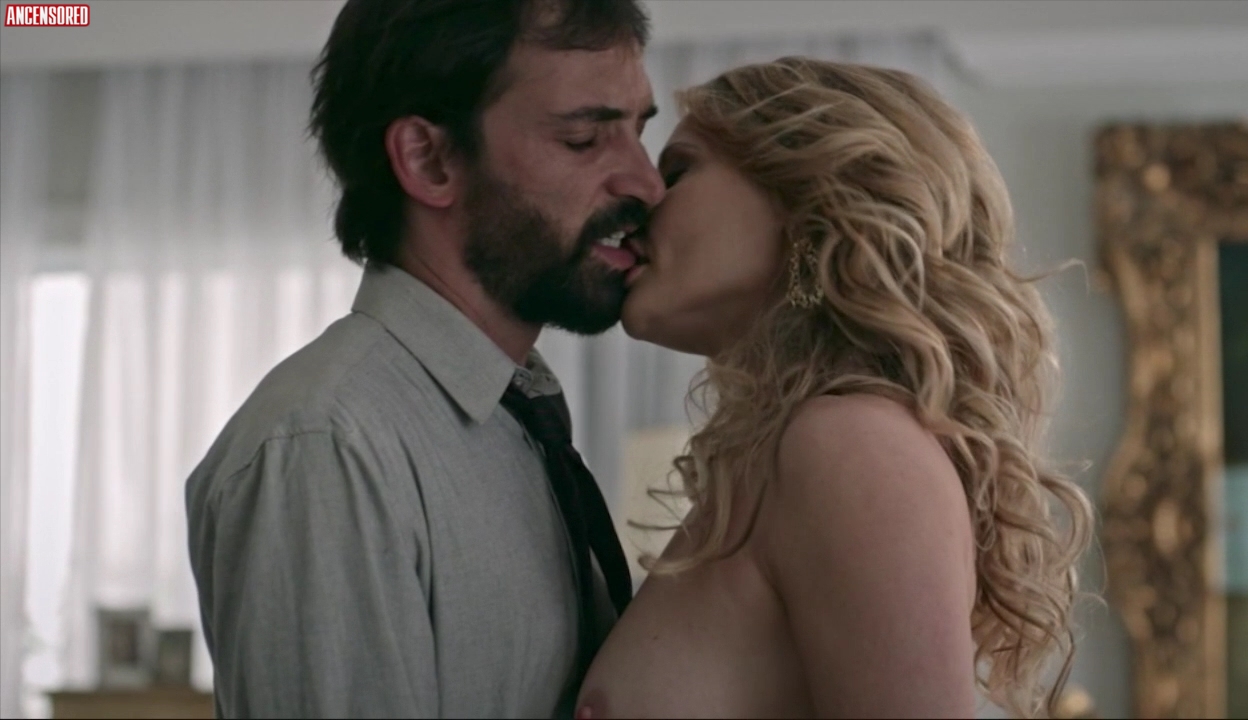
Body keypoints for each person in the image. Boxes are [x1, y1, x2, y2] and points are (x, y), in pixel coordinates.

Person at [184, 0, 663, 717]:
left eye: (639, 131)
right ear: (428, 160)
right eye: (584, 138)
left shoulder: (517, 418)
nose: (646, 184)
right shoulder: (327, 449)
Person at [577, 58, 1094, 718]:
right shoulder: (801, 447)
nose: (642, 200)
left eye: (678, 171)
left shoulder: (851, 442)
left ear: (805, 201)